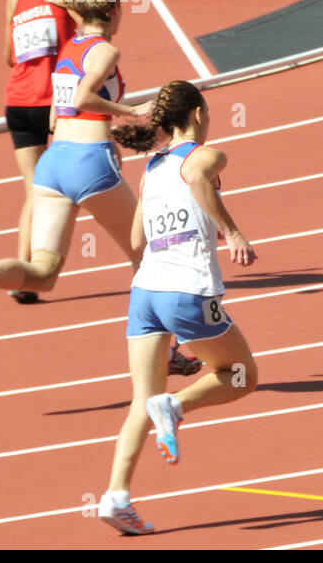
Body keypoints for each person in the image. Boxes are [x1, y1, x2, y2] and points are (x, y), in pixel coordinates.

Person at [97, 80, 258, 534]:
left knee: (139, 402)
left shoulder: (151, 168)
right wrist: (231, 232)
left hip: (145, 293)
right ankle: (177, 405)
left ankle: (115, 497)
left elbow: (134, 240)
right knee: (242, 376)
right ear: (199, 115)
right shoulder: (206, 156)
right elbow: (198, 177)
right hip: (186, 292)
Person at [1, 0, 75, 305]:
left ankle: (21, 273)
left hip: (18, 102)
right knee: (74, 185)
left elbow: (8, 55)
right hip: (54, 101)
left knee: (34, 190)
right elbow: (99, 21)